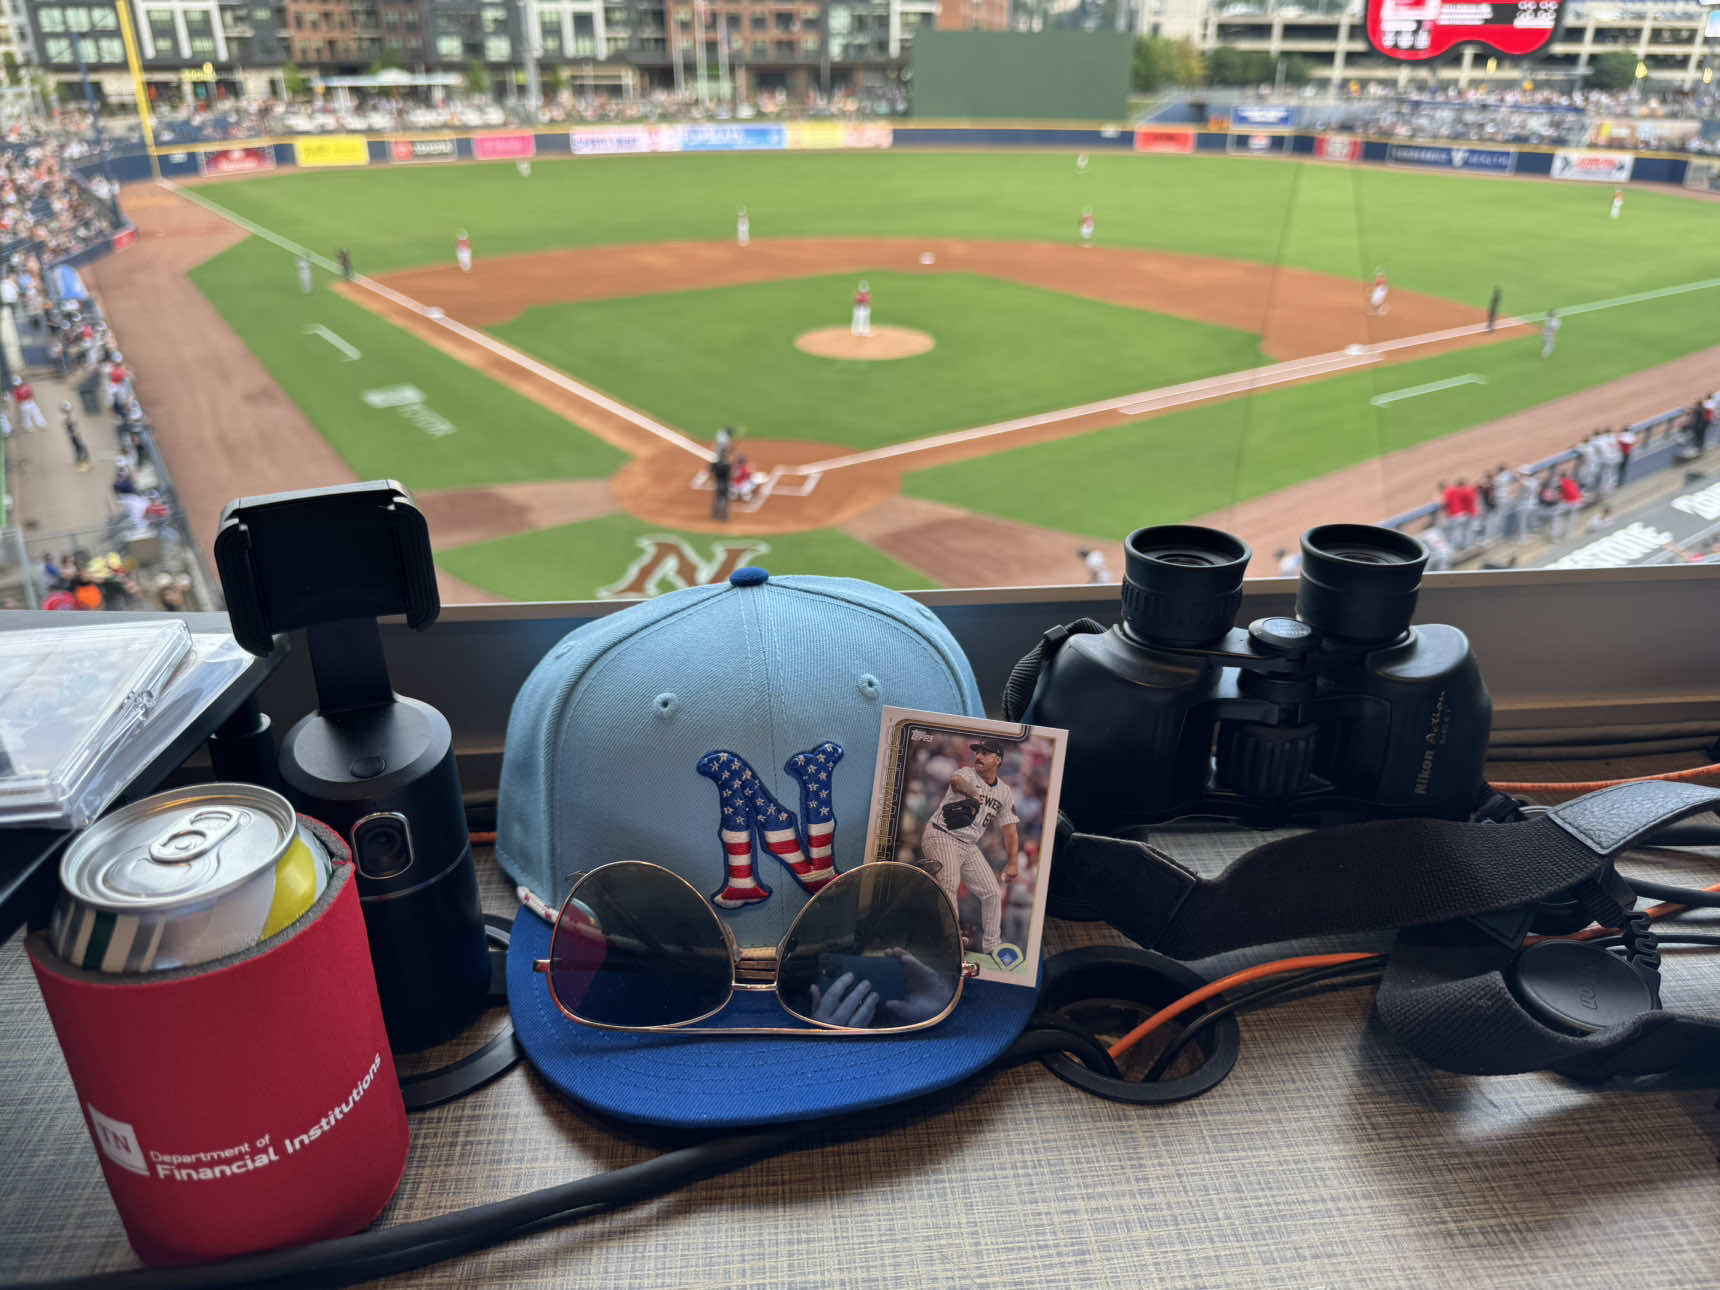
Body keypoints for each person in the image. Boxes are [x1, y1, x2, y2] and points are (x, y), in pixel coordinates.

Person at [917, 739, 1020, 960]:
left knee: (992, 893)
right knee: (949, 884)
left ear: (998, 760)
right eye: (978, 752)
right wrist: (973, 795)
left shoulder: (1004, 791)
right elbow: (956, 781)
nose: (979, 756)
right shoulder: (967, 773)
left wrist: (1013, 862)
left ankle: (993, 947)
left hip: (968, 844)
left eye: (986, 753)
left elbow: (1010, 830)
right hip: (941, 835)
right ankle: (951, 942)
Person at [61, 401, 87, 470]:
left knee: (79, 448)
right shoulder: (66, 418)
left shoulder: (68, 417)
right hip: (73, 436)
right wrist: (74, 433)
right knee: (78, 448)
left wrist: (75, 432)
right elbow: (69, 427)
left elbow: (73, 426)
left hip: (73, 435)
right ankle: (80, 462)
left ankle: (82, 462)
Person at [710, 448, 732, 521]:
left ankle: (715, 515)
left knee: (717, 499)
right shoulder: (727, 466)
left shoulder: (715, 464)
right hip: (725, 484)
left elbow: (711, 470)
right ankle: (724, 516)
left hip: (718, 483)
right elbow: (730, 473)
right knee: (725, 500)